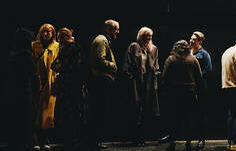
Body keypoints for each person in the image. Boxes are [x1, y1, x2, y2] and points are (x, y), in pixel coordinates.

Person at [162, 40, 202, 151]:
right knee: (188, 118)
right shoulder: (193, 59)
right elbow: (199, 77)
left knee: (174, 118)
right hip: (190, 93)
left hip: (175, 94)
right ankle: (188, 142)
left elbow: (165, 77)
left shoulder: (171, 59)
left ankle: (173, 142)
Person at [124, 27, 161, 145]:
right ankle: (135, 138)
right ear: (141, 36)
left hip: (149, 84)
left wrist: (155, 80)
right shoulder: (134, 47)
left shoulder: (153, 49)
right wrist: (131, 79)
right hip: (136, 83)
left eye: (150, 36)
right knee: (136, 110)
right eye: (146, 35)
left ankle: (142, 137)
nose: (149, 38)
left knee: (146, 110)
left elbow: (156, 66)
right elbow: (127, 65)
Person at [88, 19, 119, 150]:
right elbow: (100, 60)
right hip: (101, 80)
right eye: (116, 29)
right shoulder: (101, 40)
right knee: (99, 111)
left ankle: (95, 141)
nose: (118, 31)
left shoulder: (103, 40)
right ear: (108, 29)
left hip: (102, 79)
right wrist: (114, 66)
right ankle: (94, 142)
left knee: (99, 110)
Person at [52, 28, 84, 151]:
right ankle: (72, 139)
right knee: (71, 112)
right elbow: (54, 65)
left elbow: (60, 65)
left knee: (71, 112)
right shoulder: (70, 48)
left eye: (61, 37)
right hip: (70, 84)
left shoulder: (70, 48)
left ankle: (72, 139)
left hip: (70, 85)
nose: (59, 40)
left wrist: (62, 66)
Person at [7, 28, 36, 151]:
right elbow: (31, 70)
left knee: (16, 118)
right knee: (25, 117)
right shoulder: (25, 54)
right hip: (24, 90)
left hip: (13, 90)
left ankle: (16, 142)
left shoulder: (13, 54)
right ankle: (25, 142)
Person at [31, 23, 59, 151]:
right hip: (38, 81)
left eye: (49, 32)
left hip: (51, 83)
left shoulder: (57, 46)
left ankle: (45, 139)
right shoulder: (35, 46)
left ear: (53, 34)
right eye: (44, 32)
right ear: (41, 33)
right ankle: (35, 140)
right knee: (36, 111)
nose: (47, 34)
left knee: (48, 113)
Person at [189, 31, 212, 149]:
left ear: (200, 41)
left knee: (200, 113)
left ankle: (201, 139)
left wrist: (197, 77)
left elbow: (209, 69)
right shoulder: (187, 52)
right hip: (188, 87)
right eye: (191, 39)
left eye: (194, 39)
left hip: (200, 87)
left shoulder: (204, 54)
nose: (191, 41)